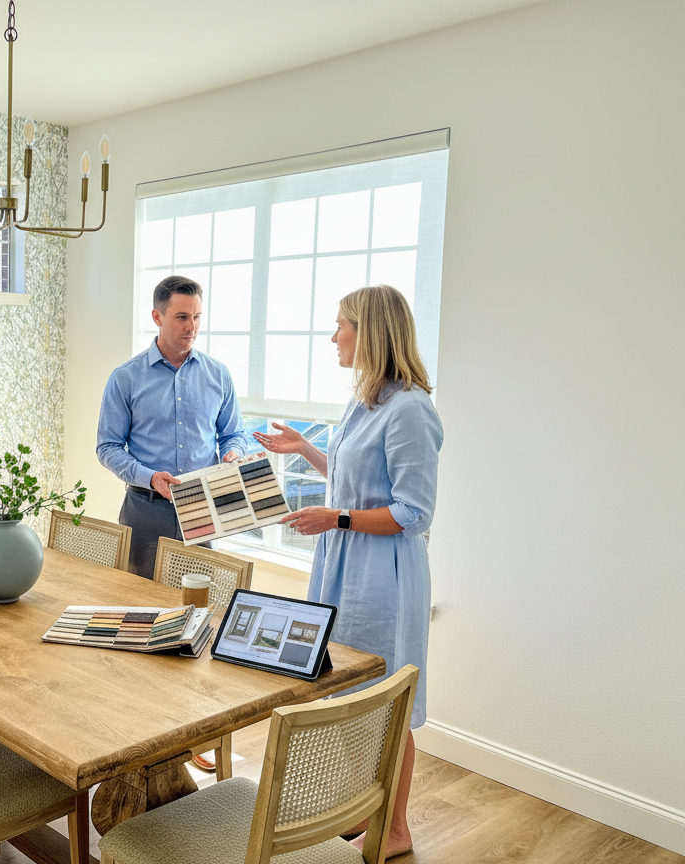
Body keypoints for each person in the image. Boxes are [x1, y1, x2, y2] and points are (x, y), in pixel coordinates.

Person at [253, 284, 441, 859]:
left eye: (341, 326)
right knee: (352, 695)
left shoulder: (411, 409)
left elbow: (414, 512)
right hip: (344, 563)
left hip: (382, 573)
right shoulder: (367, 399)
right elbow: (354, 470)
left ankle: (398, 828)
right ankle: (370, 810)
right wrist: (304, 450)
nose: (333, 337)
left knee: (388, 703)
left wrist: (335, 516)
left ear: (371, 332)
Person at [96, 274, 248, 579]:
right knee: (136, 602)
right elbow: (107, 447)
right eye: (181, 317)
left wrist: (232, 453)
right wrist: (151, 478)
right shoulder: (125, 378)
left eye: (196, 317)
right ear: (157, 316)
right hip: (145, 509)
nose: (191, 326)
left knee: (198, 604)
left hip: (201, 507)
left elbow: (233, 434)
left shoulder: (219, 375)